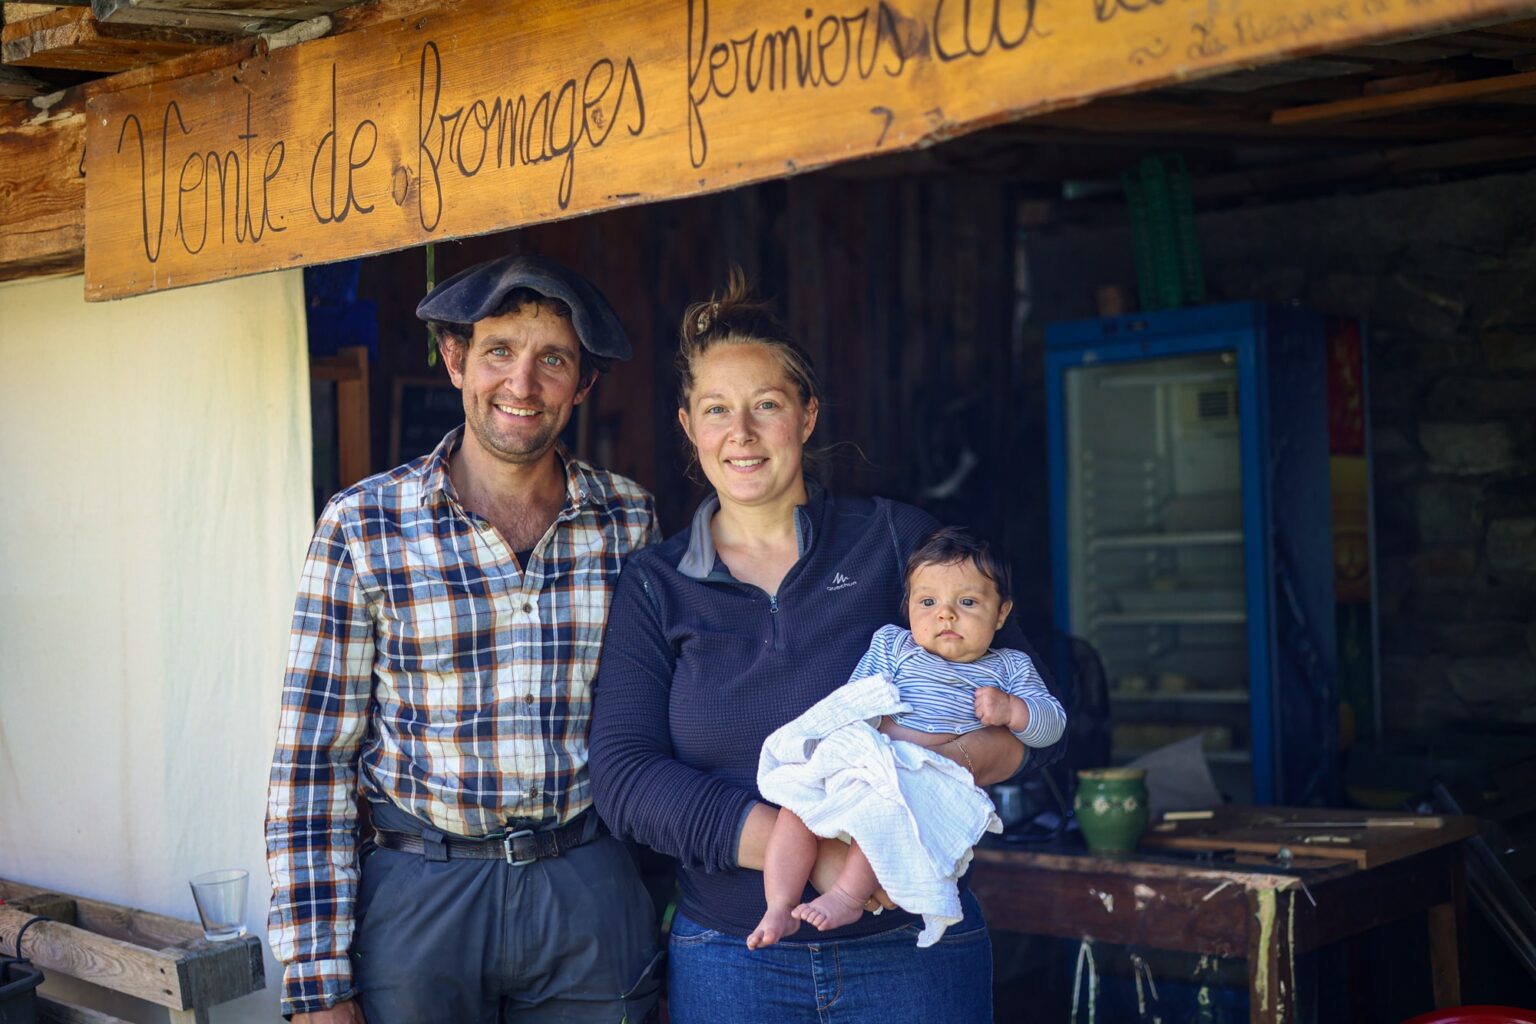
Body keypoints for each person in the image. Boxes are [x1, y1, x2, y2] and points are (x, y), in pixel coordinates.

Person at [589, 271, 1061, 1024]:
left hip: (911, 947)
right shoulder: (657, 585)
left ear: (806, 417)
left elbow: (1025, 698)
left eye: (766, 406)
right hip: (733, 954)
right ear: (688, 426)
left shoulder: (897, 543)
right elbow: (624, 778)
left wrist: (973, 756)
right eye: (717, 410)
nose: (740, 433)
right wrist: (814, 850)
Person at [265, 254, 663, 1024]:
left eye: (553, 359)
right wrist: (317, 981)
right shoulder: (362, 525)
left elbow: (659, 720)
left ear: (582, 384)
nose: (522, 384)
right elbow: (312, 759)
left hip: (586, 881)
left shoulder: (629, 520)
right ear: (456, 361)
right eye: (499, 352)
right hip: (422, 892)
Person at [749, 526, 1067, 949]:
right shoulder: (894, 646)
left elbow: (1053, 727)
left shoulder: (1010, 669)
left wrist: (1013, 710)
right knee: (796, 810)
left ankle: (847, 895)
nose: (946, 614)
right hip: (871, 757)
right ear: (909, 607)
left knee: (886, 810)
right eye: (928, 602)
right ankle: (778, 905)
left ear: (1002, 613)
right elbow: (853, 698)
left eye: (967, 602)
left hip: (923, 774)